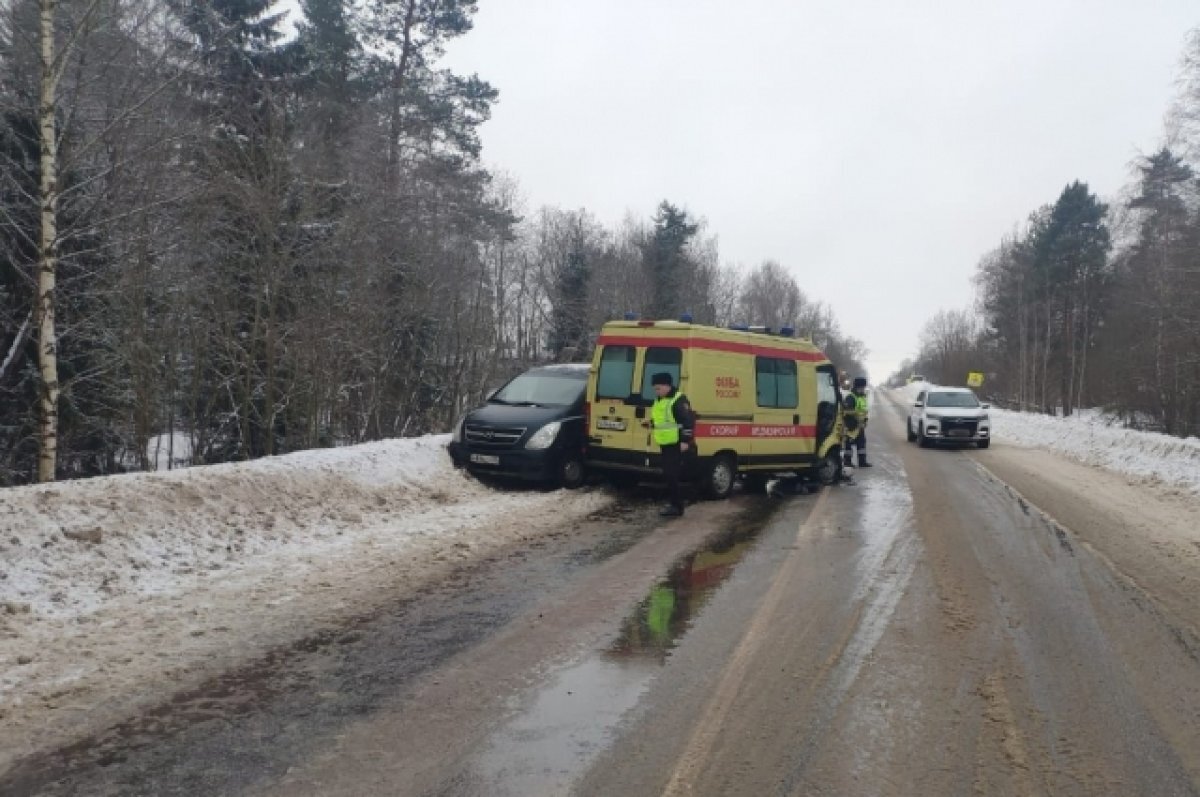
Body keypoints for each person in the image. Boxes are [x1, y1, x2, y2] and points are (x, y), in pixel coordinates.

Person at [647, 372, 695, 517]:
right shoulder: (660, 400)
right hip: (665, 443)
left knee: (671, 474)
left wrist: (685, 441)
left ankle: (677, 506)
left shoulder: (678, 400)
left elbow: (688, 422)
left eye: (658, 388)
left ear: (667, 386)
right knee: (669, 474)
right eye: (655, 389)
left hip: (675, 443)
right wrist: (652, 423)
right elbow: (664, 420)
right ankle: (675, 503)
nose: (656, 391)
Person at [846, 376, 871, 468]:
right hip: (852, 425)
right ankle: (847, 462)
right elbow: (846, 411)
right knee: (848, 444)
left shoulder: (862, 397)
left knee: (861, 444)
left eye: (863, 387)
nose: (863, 389)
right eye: (861, 387)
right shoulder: (851, 397)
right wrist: (856, 417)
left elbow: (864, 410)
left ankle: (862, 461)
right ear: (857, 387)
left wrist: (865, 420)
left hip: (860, 426)